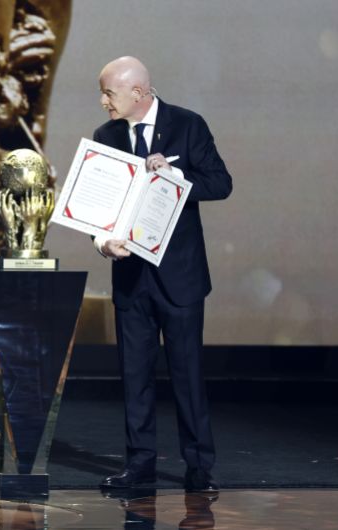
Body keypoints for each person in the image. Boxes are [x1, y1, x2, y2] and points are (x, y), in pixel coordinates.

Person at [94, 56, 232, 493]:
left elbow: (220, 183)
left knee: (187, 375)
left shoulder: (188, 125)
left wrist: (176, 176)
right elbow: (99, 206)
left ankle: (198, 467)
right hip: (131, 276)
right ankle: (139, 466)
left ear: (138, 92)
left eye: (109, 94)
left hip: (180, 276)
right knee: (135, 377)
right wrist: (102, 243)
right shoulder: (106, 136)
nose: (103, 103)